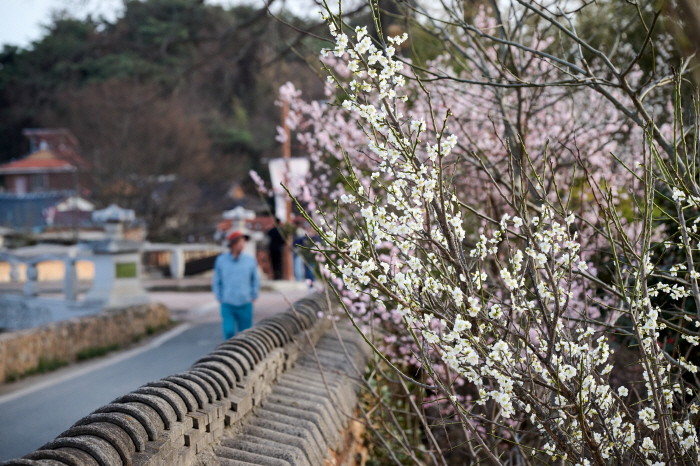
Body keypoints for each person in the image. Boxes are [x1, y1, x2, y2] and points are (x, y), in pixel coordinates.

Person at [212, 230, 261, 339]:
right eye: (240, 242)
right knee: (228, 331)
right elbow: (217, 280)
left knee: (246, 335)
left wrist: (254, 295)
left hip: (245, 302)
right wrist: (219, 296)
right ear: (233, 244)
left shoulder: (250, 260)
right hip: (227, 302)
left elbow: (255, 279)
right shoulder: (221, 260)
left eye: (244, 242)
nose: (243, 244)